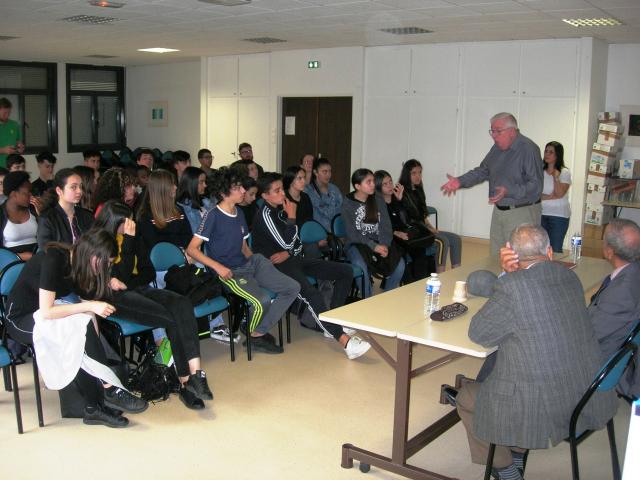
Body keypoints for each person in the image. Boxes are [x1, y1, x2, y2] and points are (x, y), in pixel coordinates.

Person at [457, 224, 617, 480]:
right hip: (581, 391)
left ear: (510, 253)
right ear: (550, 252)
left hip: (542, 407)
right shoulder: (570, 278)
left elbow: (479, 333)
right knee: (509, 362)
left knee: (466, 396)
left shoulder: (513, 287)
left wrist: (507, 275)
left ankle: (506, 468)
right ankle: (519, 451)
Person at [4, 229, 148, 428]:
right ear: (92, 254)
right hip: (20, 319)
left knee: (81, 330)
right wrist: (90, 307)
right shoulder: (53, 259)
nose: (105, 268)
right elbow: (47, 311)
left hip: (44, 314)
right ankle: (105, 394)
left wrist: (95, 347)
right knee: (74, 331)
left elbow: (87, 312)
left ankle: (97, 404)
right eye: (105, 262)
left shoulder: (79, 266)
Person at [94, 201, 214, 409]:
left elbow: (147, 271)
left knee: (181, 303)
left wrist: (130, 282)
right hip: (115, 298)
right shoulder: (102, 241)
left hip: (137, 288)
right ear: (114, 222)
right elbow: (116, 277)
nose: (131, 224)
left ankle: (195, 375)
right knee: (172, 318)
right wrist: (129, 243)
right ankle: (185, 382)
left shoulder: (133, 236)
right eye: (126, 221)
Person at [252, 172, 370, 360]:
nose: (283, 193)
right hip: (273, 267)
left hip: (291, 259)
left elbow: (296, 245)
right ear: (265, 196)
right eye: (277, 190)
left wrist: (289, 250)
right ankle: (343, 340)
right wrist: (292, 219)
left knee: (344, 271)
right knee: (310, 293)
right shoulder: (266, 214)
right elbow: (287, 243)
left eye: (282, 188)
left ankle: (332, 321)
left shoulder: (281, 209)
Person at [186, 167, 300, 355]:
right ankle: (256, 336)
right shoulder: (213, 215)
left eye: (241, 187)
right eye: (237, 188)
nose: (243, 191)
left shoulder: (238, 212)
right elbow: (192, 249)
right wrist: (217, 267)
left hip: (248, 264)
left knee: (292, 288)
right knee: (261, 300)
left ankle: (258, 332)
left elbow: (244, 247)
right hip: (229, 272)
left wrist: (257, 267)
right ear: (224, 193)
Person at [440, 113, 543, 255]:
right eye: (492, 131)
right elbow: (483, 171)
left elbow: (536, 186)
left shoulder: (528, 149)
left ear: (512, 132)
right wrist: (460, 181)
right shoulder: (496, 148)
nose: (493, 136)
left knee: (520, 258)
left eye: (498, 131)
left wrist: (509, 191)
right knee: (497, 256)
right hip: (500, 211)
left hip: (522, 212)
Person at [587, 219, 640, 399]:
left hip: (603, 362)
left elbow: (588, 336)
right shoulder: (633, 273)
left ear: (609, 251)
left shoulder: (621, 294)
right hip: (617, 345)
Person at [341, 168, 405, 298]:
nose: (373, 185)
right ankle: (368, 299)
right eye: (368, 182)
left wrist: (385, 245)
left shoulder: (377, 199)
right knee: (360, 266)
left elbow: (386, 226)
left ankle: (386, 297)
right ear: (357, 186)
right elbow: (352, 233)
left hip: (379, 242)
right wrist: (373, 246)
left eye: (373, 181)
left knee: (400, 265)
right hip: (357, 243)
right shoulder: (347, 203)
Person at [400, 159, 461, 273]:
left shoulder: (418, 190)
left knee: (456, 239)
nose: (418, 176)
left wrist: (431, 228)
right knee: (442, 241)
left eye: (420, 172)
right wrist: (428, 229)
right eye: (414, 173)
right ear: (406, 174)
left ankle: (456, 274)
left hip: (424, 229)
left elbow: (422, 216)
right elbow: (408, 220)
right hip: (414, 233)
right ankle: (439, 276)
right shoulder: (401, 193)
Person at [375, 170, 434, 282]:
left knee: (420, 251)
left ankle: (420, 283)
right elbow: (379, 227)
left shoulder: (396, 199)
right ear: (378, 187)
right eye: (385, 184)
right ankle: (408, 284)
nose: (390, 186)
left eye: (390, 182)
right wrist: (396, 233)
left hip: (405, 234)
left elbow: (410, 218)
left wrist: (401, 200)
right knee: (400, 253)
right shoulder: (377, 204)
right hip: (391, 237)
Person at [136, 169, 193, 251]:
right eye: (172, 184)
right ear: (161, 189)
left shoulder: (178, 210)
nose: (176, 187)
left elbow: (188, 237)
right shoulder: (145, 216)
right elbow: (155, 248)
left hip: (184, 256)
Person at [37, 169, 94, 249]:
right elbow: (45, 249)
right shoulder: (47, 218)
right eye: (73, 187)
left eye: (80, 186)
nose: (79, 191)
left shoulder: (87, 215)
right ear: (59, 191)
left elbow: (95, 243)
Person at [540, 141, 571, 253]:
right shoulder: (540, 171)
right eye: (546, 151)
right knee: (541, 249)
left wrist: (556, 178)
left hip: (558, 216)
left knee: (555, 249)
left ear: (557, 155)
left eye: (551, 152)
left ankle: (555, 270)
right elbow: (535, 194)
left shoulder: (564, 172)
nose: (547, 154)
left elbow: (559, 193)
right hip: (541, 214)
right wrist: (550, 196)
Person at [0, 171, 38, 260]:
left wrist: (41, 215)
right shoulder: (1, 214)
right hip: (10, 263)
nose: (31, 195)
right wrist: (20, 256)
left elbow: (47, 239)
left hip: (38, 259)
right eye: (27, 193)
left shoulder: (34, 209)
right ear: (13, 194)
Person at [304, 157, 343, 232]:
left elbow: (341, 210)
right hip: (317, 232)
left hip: (336, 231)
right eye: (324, 172)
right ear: (315, 172)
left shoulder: (334, 189)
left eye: (330, 171)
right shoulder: (308, 191)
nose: (328, 175)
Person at [0, 97, 25, 168]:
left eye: (9, 112)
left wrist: (20, 146)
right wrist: (3, 150)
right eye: (4, 113)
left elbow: (18, 141)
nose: (7, 115)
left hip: (12, 168)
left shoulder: (14, 125)